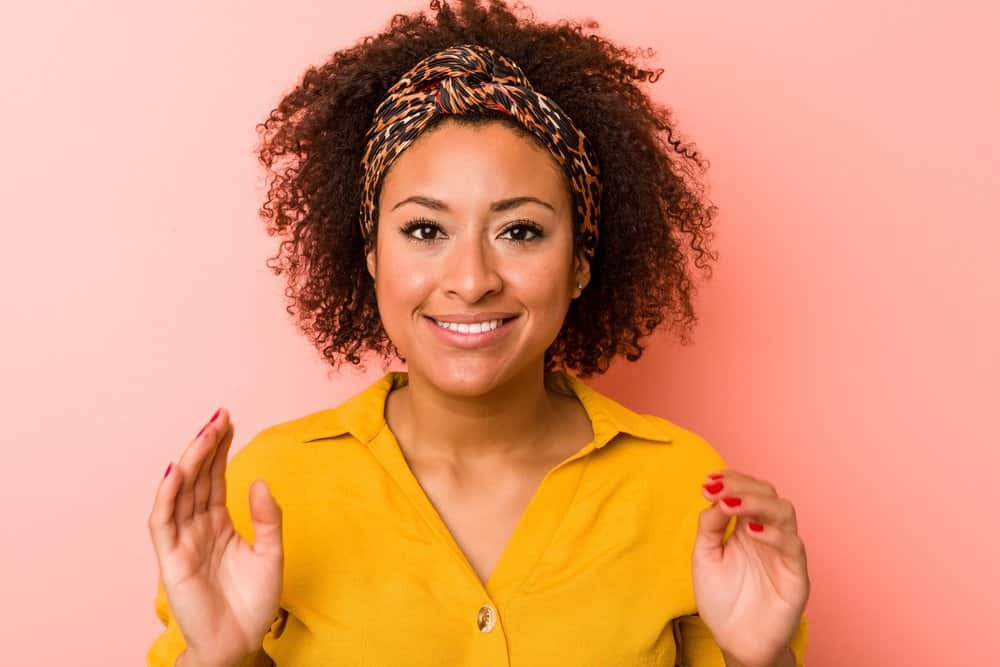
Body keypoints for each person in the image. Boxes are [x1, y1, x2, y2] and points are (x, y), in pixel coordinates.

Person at [147, 1, 811, 665]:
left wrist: (763, 658)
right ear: (373, 257)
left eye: (519, 231)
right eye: (425, 230)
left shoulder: (686, 488)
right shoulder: (268, 487)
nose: (471, 279)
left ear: (579, 262)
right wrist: (220, 655)